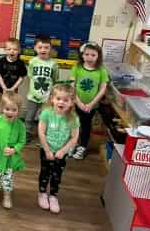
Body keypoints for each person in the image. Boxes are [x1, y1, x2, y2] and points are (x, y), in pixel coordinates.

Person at [37, 83, 80, 214]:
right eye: (58, 99)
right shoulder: (46, 114)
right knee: (45, 172)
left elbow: (74, 138)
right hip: (46, 150)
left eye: (66, 100)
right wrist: (47, 150)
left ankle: (53, 195)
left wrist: (62, 151)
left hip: (61, 153)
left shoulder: (73, 118)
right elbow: (41, 132)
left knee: (57, 174)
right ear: (52, 99)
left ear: (72, 102)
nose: (61, 102)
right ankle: (42, 193)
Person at [0, 92, 26, 209]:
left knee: (8, 177)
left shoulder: (20, 125)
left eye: (14, 110)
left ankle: (7, 195)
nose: (10, 112)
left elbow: (22, 141)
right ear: (2, 108)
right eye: (7, 109)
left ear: (19, 110)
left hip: (10, 158)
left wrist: (14, 149)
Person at [70, 43, 108, 159]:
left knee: (86, 126)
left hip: (91, 106)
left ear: (98, 56)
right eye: (86, 54)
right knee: (74, 124)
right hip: (76, 103)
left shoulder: (101, 71)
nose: (89, 57)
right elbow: (72, 86)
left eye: (93, 55)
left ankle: (82, 146)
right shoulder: (77, 68)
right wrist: (79, 102)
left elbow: (102, 89)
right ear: (82, 55)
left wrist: (91, 104)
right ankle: (72, 144)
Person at [0, 38, 27, 127]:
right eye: (9, 49)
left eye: (15, 49)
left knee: (9, 107)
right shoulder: (2, 61)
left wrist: (13, 88)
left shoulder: (20, 63)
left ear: (19, 50)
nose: (12, 51)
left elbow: (22, 77)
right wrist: (4, 87)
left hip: (12, 92)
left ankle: (6, 122)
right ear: (5, 50)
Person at [25, 35, 59, 142]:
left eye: (46, 47)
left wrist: (52, 96)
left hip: (47, 97)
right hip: (33, 96)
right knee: (29, 117)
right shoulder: (32, 62)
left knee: (45, 118)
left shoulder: (53, 64)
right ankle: (27, 133)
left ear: (50, 48)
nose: (43, 50)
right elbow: (30, 77)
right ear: (35, 48)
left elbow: (55, 80)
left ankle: (43, 137)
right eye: (40, 47)